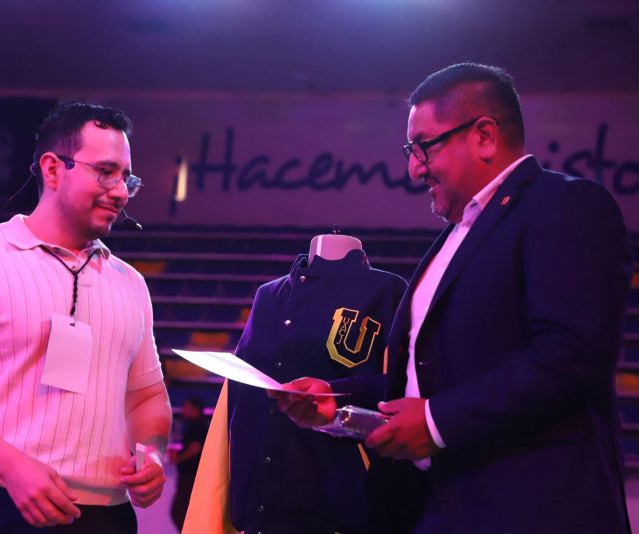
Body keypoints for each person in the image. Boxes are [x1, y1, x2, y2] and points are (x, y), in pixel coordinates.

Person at [275, 63, 633, 533]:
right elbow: (428, 380)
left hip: (531, 511)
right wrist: (338, 402)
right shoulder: (456, 236)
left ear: (484, 136)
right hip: (438, 508)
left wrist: (436, 422)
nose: (413, 167)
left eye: (424, 146)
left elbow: (570, 356)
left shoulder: (566, 205)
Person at [0, 101, 172, 534]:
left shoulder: (130, 283)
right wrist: (11, 466)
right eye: (105, 172)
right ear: (53, 168)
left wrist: (151, 453)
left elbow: (147, 397)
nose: (120, 192)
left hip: (109, 517)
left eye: (126, 178)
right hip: (0, 505)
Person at [186, 233, 406, 534]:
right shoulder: (268, 295)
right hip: (258, 505)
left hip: (339, 504)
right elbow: (238, 403)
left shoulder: (387, 289)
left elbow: (399, 386)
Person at [168, 398, 208, 531]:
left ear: (195, 409)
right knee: (183, 511)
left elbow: (196, 447)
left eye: (187, 407)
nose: (183, 410)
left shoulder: (197, 426)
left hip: (191, 476)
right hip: (192, 475)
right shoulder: (197, 425)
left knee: (179, 511)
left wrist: (178, 458)